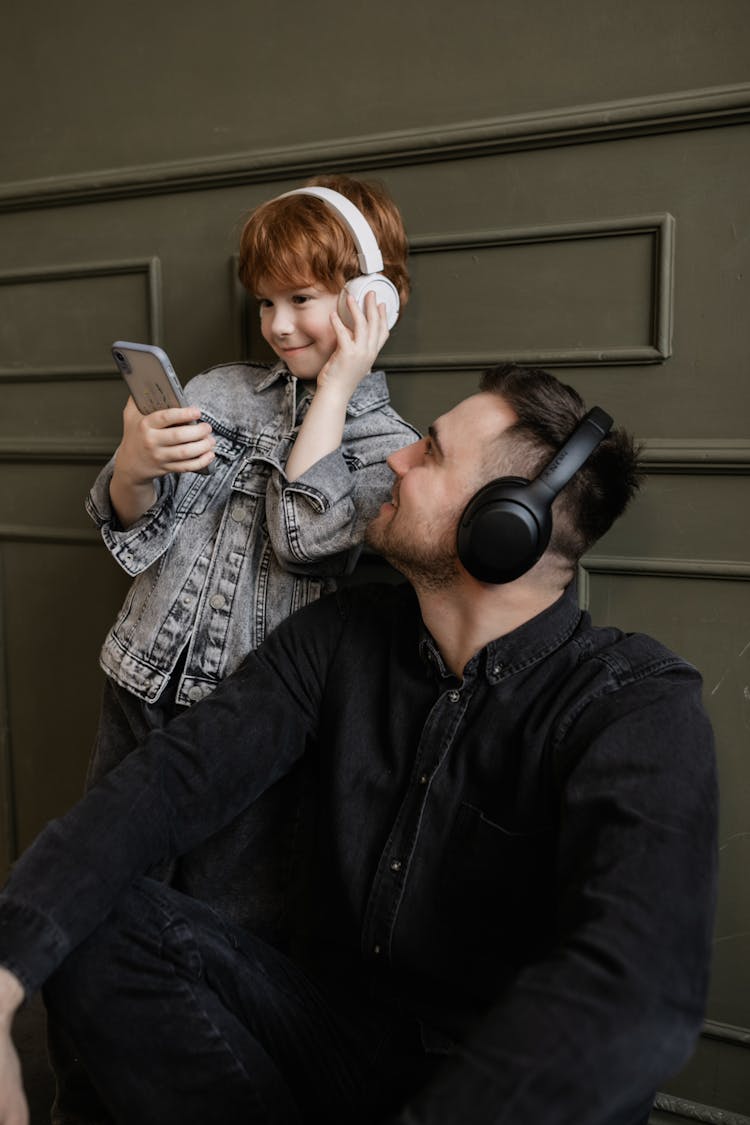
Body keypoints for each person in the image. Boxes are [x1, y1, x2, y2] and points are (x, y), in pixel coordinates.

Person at [0, 364, 717, 1125]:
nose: (395, 458)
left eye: (431, 453)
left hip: (498, 1087)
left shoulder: (634, 702)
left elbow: (632, 988)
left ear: (506, 527)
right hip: (333, 1044)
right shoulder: (340, 636)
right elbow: (165, 785)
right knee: (103, 909)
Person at [47, 173, 419, 1122]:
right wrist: (135, 464)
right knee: (88, 902)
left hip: (249, 736)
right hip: (139, 690)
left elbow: (304, 531)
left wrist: (335, 387)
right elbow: (133, 527)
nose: (281, 324)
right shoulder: (217, 392)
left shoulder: (392, 447)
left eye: (304, 298)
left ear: (376, 300)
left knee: (213, 937)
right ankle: (84, 1100)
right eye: (266, 302)